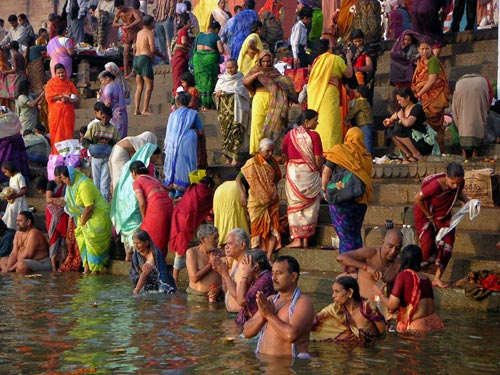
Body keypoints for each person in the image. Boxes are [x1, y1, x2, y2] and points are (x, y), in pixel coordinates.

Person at [243, 255, 315, 358]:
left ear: (293, 276)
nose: (273, 278)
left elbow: (291, 335)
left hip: (287, 366)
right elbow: (246, 332)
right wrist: (263, 316)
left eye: (279, 273)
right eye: (272, 273)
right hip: (264, 365)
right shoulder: (271, 300)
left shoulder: (303, 303)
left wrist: (269, 315)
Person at [414, 163, 470, 288]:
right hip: (426, 213)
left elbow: (458, 193)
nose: (455, 186)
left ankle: (437, 278)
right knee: (427, 247)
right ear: (446, 176)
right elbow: (417, 198)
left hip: (444, 215)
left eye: (458, 183)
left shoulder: (459, 184)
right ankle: (413, 273)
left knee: (448, 243)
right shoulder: (435, 186)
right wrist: (429, 216)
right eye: (452, 183)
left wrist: (468, 202)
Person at [321, 127, 372, 256]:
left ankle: (349, 267)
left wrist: (325, 189)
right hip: (360, 201)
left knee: (345, 236)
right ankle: (357, 264)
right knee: (355, 234)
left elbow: (326, 171)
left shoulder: (339, 150)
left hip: (340, 201)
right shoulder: (366, 157)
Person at [374, 244, 444, 333]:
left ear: (403, 260)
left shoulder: (403, 276)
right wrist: (395, 317)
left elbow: (392, 305)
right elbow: (422, 310)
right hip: (435, 323)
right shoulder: (426, 278)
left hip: (417, 327)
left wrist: (379, 294)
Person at [55, 165, 112, 274]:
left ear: (70, 176)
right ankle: (86, 270)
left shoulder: (84, 185)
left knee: (91, 241)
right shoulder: (71, 185)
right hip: (84, 217)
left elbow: (89, 207)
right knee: (82, 241)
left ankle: (96, 270)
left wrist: (82, 222)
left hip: (98, 216)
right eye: (61, 179)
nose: (63, 181)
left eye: (64, 178)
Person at [281, 110, 323, 249]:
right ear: (306, 122)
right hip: (309, 174)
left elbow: (284, 154)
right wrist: (318, 172)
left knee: (295, 208)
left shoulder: (289, 135)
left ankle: (298, 238)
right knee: (310, 207)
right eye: (315, 120)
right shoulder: (315, 136)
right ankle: (305, 239)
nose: (317, 122)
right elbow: (318, 159)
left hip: (294, 174)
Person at [243, 51, 296, 155]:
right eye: (264, 61)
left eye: (268, 61)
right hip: (259, 99)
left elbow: (284, 84)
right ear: (260, 61)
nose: (266, 64)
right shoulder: (255, 70)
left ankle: (270, 151)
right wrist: (256, 75)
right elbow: (245, 82)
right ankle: (258, 151)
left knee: (273, 125)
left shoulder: (275, 72)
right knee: (257, 125)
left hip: (275, 101)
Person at [237, 138, 282, 259]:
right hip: (256, 203)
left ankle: (268, 256)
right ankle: (256, 256)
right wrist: (242, 194)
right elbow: (238, 179)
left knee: (274, 228)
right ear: (260, 151)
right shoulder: (252, 163)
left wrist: (271, 190)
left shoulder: (273, 162)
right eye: (268, 151)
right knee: (256, 230)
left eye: (272, 151)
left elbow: (277, 178)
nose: (270, 154)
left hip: (272, 201)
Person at [311, 276, 386, 344]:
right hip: (347, 350)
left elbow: (383, 333)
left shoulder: (368, 308)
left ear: (350, 292)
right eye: (333, 291)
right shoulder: (335, 309)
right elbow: (314, 322)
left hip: (369, 352)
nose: (333, 295)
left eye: (337, 291)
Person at [307, 43, 353, 150]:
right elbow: (349, 74)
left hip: (316, 94)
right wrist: (348, 59)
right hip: (329, 94)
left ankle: (318, 149)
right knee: (331, 122)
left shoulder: (316, 61)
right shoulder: (335, 59)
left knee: (319, 122)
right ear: (329, 48)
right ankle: (332, 150)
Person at [169, 176, 215, 281]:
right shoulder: (206, 193)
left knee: (182, 246)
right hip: (187, 220)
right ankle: (174, 277)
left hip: (178, 216)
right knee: (181, 248)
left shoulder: (193, 188)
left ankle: (178, 274)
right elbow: (209, 209)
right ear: (209, 186)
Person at [336, 229, 403, 301]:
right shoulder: (371, 253)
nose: (393, 251)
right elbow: (341, 258)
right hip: (362, 306)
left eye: (397, 248)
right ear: (383, 242)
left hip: (384, 308)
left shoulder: (398, 264)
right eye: (390, 246)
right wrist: (366, 267)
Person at [411, 39, 449, 153]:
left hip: (434, 97)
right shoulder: (420, 62)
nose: (424, 51)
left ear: (431, 48)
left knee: (434, 124)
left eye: (426, 48)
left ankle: (439, 150)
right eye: (422, 49)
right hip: (424, 97)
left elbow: (432, 81)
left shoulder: (433, 61)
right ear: (418, 50)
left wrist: (420, 93)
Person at [163, 93, 204, 198]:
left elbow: (168, 132)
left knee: (174, 164)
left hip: (171, 144)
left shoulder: (172, 115)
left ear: (178, 103)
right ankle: (181, 191)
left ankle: (172, 189)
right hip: (187, 143)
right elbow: (201, 131)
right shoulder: (193, 114)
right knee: (185, 165)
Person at [129, 160, 173, 259]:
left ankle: (151, 267)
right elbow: (167, 188)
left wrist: (144, 218)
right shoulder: (153, 179)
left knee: (149, 237)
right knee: (162, 237)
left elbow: (142, 203)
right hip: (168, 205)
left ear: (133, 173)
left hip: (157, 207)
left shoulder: (137, 181)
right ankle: (160, 265)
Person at [383, 87, 436, 162]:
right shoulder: (403, 109)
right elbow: (394, 116)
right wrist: (389, 120)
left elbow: (408, 123)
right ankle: (408, 154)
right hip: (412, 141)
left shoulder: (417, 108)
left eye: (400, 100)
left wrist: (402, 117)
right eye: (398, 100)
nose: (399, 102)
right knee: (390, 131)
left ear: (407, 98)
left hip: (422, 141)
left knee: (399, 128)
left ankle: (416, 154)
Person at [213, 58, 250, 165]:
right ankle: (227, 157)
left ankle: (235, 158)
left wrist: (233, 94)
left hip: (238, 112)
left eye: (231, 67)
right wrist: (218, 94)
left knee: (237, 132)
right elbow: (215, 93)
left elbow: (245, 95)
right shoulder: (222, 80)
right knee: (226, 135)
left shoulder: (241, 79)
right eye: (227, 68)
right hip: (225, 113)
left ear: (237, 67)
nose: (229, 70)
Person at [82, 105, 120, 201]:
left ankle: (104, 205)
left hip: (107, 158)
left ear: (110, 117)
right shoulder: (94, 126)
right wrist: (90, 147)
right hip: (95, 157)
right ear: (100, 116)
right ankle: (96, 204)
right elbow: (85, 140)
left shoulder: (113, 129)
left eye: (107, 118)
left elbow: (117, 144)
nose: (105, 120)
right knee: (96, 183)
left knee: (105, 185)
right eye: (103, 117)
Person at [235, 249, 275, 332]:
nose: (243, 270)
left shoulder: (265, 279)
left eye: (245, 268)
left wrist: (245, 276)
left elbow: (241, 301)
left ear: (256, 267)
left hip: (258, 328)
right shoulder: (258, 277)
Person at [452, 74, 491, 159]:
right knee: (478, 119)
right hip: (479, 89)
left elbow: (455, 107)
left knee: (463, 121)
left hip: (461, 86)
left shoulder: (460, 82)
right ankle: (475, 152)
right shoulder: (484, 81)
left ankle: (464, 152)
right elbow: (489, 99)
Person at [211, 228, 250, 312]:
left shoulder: (247, 264)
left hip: (241, 316)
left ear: (242, 245)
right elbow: (226, 290)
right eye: (226, 244)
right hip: (231, 315)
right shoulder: (235, 261)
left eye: (230, 244)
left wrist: (225, 273)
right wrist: (222, 271)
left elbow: (239, 299)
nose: (226, 247)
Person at [45, 63, 79, 155]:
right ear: (55, 73)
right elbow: (49, 98)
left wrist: (69, 99)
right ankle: (57, 156)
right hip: (56, 114)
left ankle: (68, 156)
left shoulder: (70, 84)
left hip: (68, 112)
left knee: (68, 133)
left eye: (62, 72)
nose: (61, 75)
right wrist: (61, 96)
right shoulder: (50, 84)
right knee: (57, 135)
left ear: (66, 72)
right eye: (58, 73)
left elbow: (76, 97)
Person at [130, 230, 177, 294]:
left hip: (159, 285)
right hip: (145, 285)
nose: (136, 246)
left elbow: (145, 273)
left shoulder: (154, 254)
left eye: (138, 243)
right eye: (134, 243)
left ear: (146, 243)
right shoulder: (136, 254)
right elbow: (134, 272)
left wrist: (136, 290)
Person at [132, 14, 162, 116]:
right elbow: (152, 49)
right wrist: (161, 55)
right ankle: (145, 109)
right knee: (149, 86)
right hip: (144, 59)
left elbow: (134, 48)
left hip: (136, 59)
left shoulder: (139, 33)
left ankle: (136, 109)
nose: (154, 24)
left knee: (139, 87)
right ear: (150, 23)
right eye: (153, 22)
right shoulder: (149, 33)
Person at [185, 225, 222, 300]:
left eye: (217, 238)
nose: (217, 241)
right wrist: (210, 264)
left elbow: (228, 276)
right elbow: (194, 278)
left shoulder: (220, 253)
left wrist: (219, 288)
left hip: (218, 295)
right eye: (214, 238)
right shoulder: (192, 252)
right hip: (197, 297)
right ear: (203, 239)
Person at [192, 20, 223, 110]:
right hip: (209, 61)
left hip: (198, 60)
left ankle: (200, 104)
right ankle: (208, 104)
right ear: (216, 29)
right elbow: (221, 51)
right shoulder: (215, 36)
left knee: (199, 81)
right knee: (209, 82)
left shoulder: (199, 35)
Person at [213, 177, 250, 248]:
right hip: (236, 190)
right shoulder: (247, 177)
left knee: (221, 219)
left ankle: (223, 242)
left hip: (219, 191)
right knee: (236, 218)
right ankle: (234, 243)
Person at [113, 0, 143, 78]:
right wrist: (121, 24)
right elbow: (114, 24)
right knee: (125, 53)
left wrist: (130, 25)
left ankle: (134, 71)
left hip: (136, 33)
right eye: (118, 8)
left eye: (121, 7)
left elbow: (138, 19)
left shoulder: (132, 10)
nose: (120, 9)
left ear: (124, 4)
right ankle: (126, 73)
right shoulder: (119, 13)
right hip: (127, 35)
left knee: (135, 52)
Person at [0, 106, 30, 184]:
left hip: (6, 147)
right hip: (17, 144)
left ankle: (6, 181)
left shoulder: (2, 121)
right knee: (20, 162)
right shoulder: (14, 117)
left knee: (6, 163)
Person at [344, 85, 374, 154]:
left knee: (366, 141)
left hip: (364, 123)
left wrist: (346, 119)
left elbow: (353, 111)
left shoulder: (360, 102)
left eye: (356, 91)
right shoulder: (365, 101)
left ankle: (367, 156)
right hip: (367, 123)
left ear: (359, 93)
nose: (354, 93)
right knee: (367, 140)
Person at [98, 70, 128, 138]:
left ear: (107, 78)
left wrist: (101, 112)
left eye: (102, 80)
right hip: (122, 114)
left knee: (115, 135)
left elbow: (108, 102)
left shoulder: (109, 87)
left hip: (114, 114)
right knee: (122, 134)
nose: (102, 83)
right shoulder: (118, 86)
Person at [1, 161, 28, 230]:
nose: (5, 174)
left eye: (5, 172)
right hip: (12, 201)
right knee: (10, 216)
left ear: (10, 169)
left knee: (15, 216)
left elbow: (24, 190)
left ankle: (15, 230)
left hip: (18, 201)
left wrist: (14, 196)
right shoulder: (12, 178)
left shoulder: (19, 177)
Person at [171, 13, 192, 93]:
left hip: (182, 57)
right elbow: (183, 42)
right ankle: (178, 97)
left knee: (182, 78)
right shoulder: (183, 31)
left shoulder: (181, 31)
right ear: (188, 22)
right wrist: (190, 45)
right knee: (178, 78)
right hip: (179, 57)